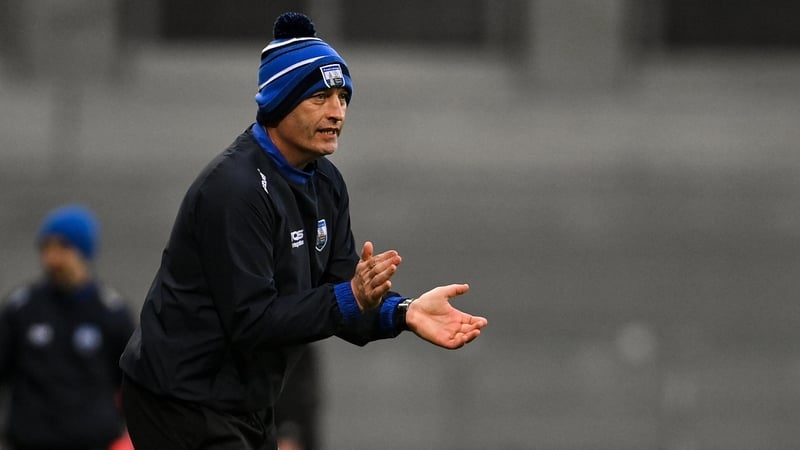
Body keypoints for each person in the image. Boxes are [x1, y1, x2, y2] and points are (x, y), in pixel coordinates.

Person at [119, 11, 488, 450]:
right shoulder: (234, 189)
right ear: (278, 101)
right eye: (319, 98)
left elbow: (342, 289)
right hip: (178, 397)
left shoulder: (326, 182)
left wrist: (402, 312)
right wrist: (349, 296)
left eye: (343, 98)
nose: (337, 112)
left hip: (245, 401)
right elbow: (252, 320)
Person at [0, 204, 135, 450]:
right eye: (47, 248)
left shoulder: (112, 313)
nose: (52, 258)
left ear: (83, 252)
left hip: (94, 442)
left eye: (63, 247)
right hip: (30, 441)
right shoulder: (21, 308)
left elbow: (131, 387)